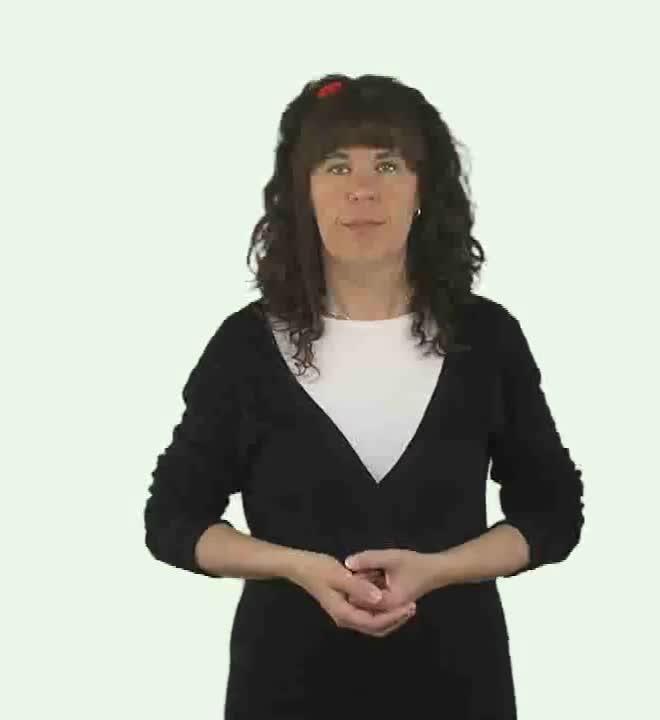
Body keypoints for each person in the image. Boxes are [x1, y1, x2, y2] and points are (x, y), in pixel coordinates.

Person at [144, 73, 585, 719]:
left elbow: (552, 511)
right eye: (335, 166)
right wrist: (295, 566)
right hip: (284, 689)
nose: (362, 190)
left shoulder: (487, 338)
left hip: (458, 687)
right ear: (303, 191)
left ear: (423, 189)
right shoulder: (243, 347)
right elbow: (172, 520)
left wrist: (440, 569)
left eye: (388, 164)